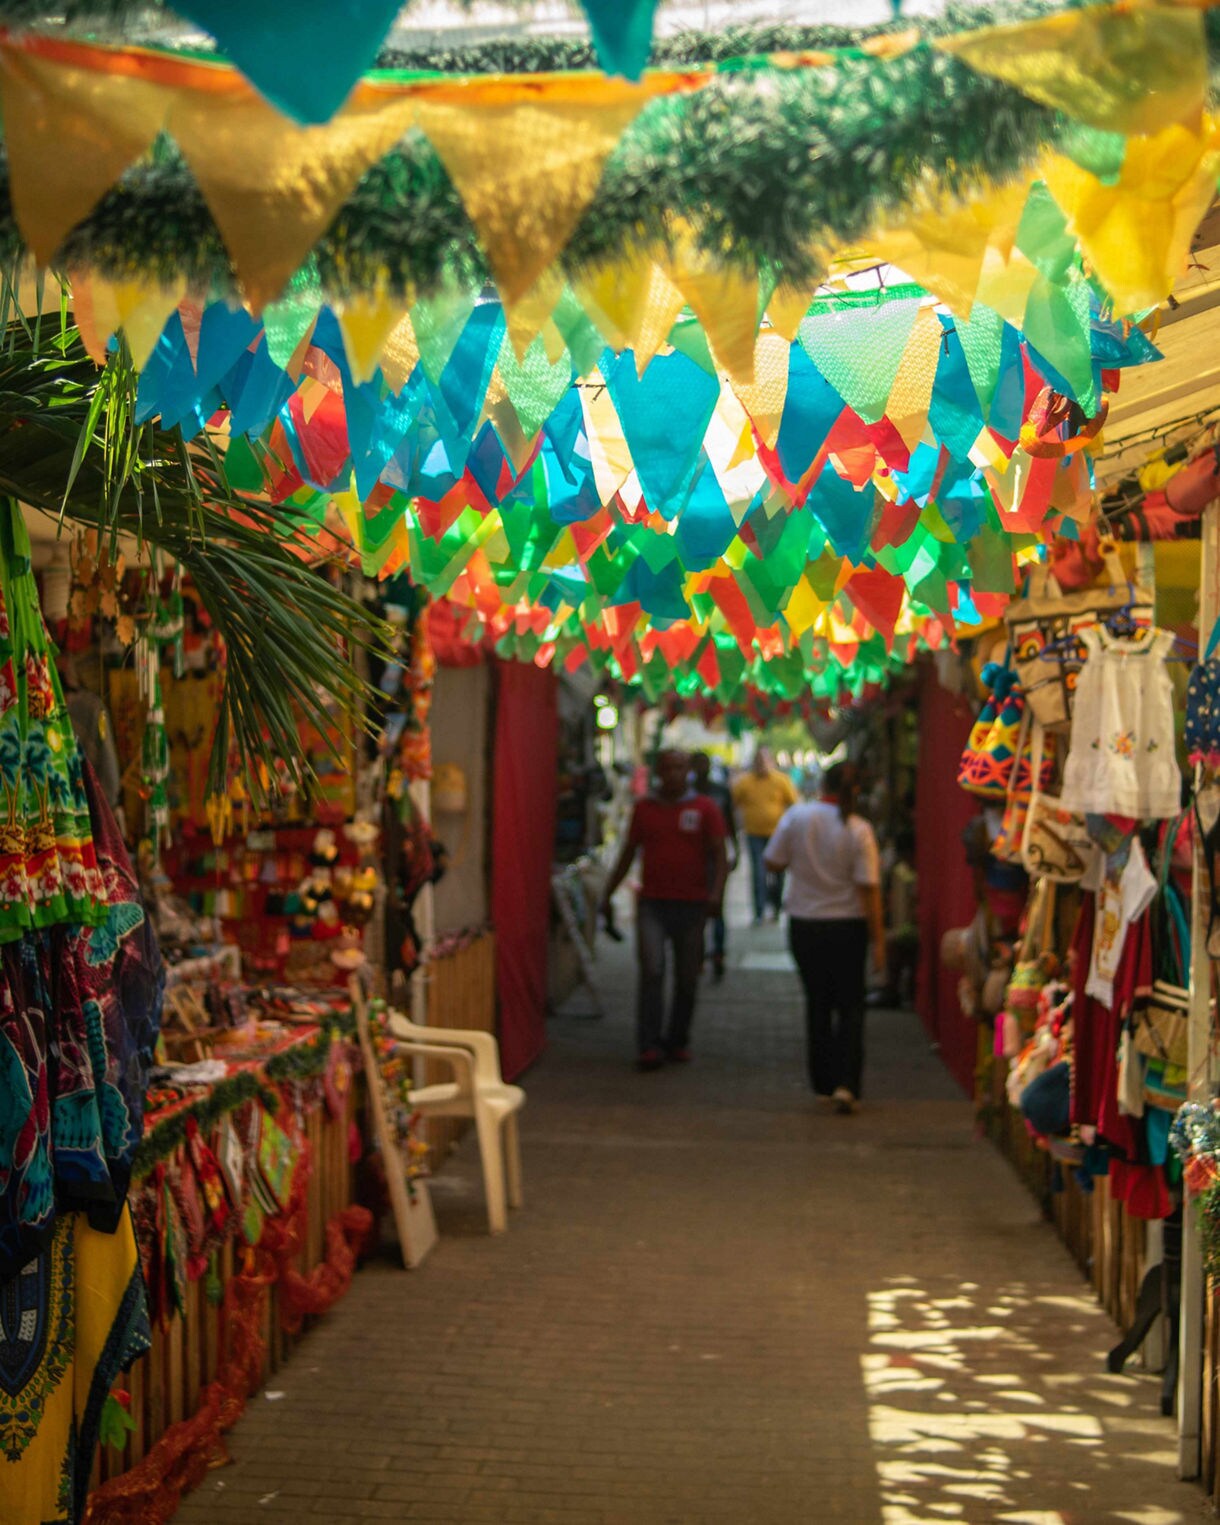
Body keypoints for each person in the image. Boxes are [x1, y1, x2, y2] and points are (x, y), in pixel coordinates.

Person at [764, 762, 884, 1113]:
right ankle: (847, 1083)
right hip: (848, 925)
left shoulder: (797, 817)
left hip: (805, 923)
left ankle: (822, 1083)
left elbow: (772, 861)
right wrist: (879, 942)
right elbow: (869, 889)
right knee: (850, 1005)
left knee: (817, 1004)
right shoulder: (860, 829)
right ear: (857, 791)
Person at [600, 748, 727, 1069]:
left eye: (679, 768)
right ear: (658, 772)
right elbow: (628, 852)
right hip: (653, 904)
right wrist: (608, 892)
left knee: (687, 977)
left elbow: (720, 856)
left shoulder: (705, 808)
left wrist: (716, 894)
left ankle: (677, 1039)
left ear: (688, 772)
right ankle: (648, 1044)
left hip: (692, 905)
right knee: (652, 970)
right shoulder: (645, 809)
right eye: (667, 768)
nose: (674, 774)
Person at [732, 747, 798, 921]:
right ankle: (759, 911)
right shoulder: (745, 782)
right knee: (758, 874)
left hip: (777, 834)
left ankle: (776, 906)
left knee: (778, 873)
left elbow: (793, 805)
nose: (761, 764)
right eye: (758, 761)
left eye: (764, 760)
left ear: (771, 761)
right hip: (754, 834)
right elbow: (733, 804)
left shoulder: (781, 781)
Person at [691, 751, 738, 981]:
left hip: (716, 857)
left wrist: (734, 849)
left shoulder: (720, 792)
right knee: (695, 911)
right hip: (692, 859)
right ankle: (697, 956)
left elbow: (730, 822)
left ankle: (718, 953)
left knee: (716, 905)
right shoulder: (686, 794)